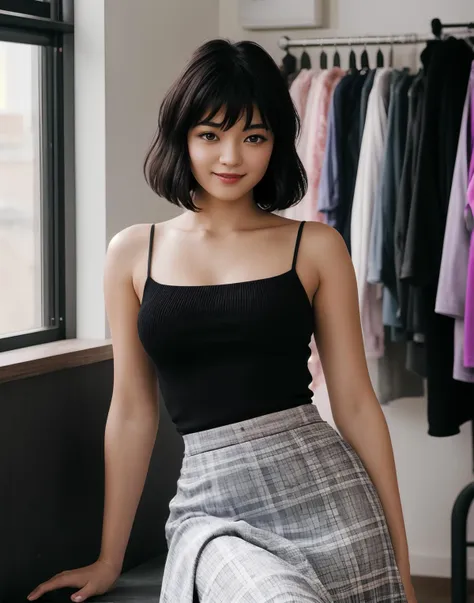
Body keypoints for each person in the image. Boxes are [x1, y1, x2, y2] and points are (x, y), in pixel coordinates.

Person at [27, 39, 416, 603]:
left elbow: (355, 402)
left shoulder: (316, 246)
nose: (231, 157)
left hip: (327, 492)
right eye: (210, 135)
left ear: (276, 144)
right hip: (212, 507)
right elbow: (133, 409)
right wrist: (109, 558)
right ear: (182, 136)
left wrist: (399, 559)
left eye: (253, 137)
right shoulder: (133, 253)